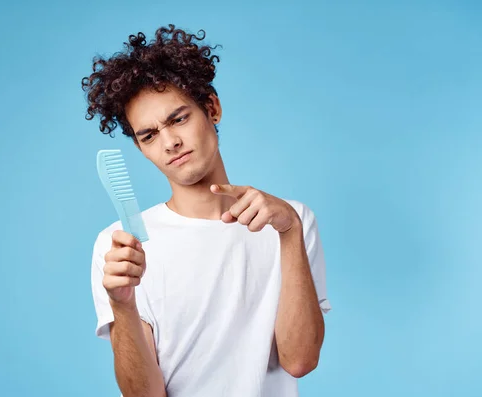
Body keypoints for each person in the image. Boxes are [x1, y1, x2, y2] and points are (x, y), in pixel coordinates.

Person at [81, 24, 332, 397]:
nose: (170, 143)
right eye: (149, 135)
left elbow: (300, 360)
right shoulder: (120, 246)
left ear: (211, 108)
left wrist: (290, 231)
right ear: (141, 148)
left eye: (178, 119)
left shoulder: (289, 220)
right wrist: (123, 307)